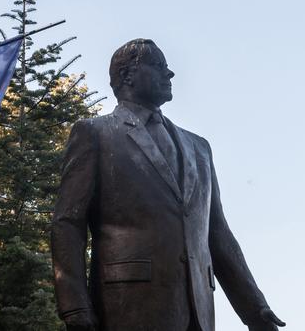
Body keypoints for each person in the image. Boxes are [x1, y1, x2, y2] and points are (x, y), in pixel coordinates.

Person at [51, 38, 284, 331]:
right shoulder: (94, 134)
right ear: (127, 76)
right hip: (126, 307)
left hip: (197, 310)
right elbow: (67, 222)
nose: (170, 74)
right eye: (159, 66)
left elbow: (217, 234)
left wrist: (255, 309)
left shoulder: (199, 148)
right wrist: (75, 306)